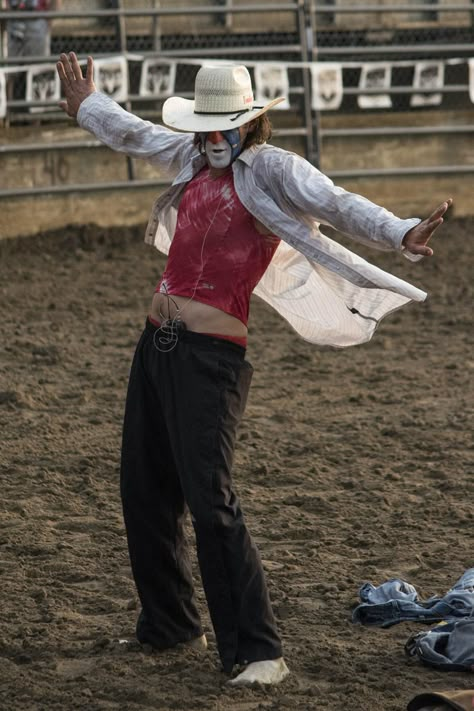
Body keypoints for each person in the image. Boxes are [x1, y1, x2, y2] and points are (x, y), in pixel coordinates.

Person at [56, 51, 452, 687]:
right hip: (157, 343)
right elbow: (135, 131)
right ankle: (171, 625)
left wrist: (401, 231)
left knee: (210, 499)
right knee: (144, 488)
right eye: (205, 126)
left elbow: (340, 202)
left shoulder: (273, 170)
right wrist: (87, 108)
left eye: (223, 126)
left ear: (247, 124)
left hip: (210, 356)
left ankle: (261, 651)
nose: (212, 137)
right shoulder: (188, 156)